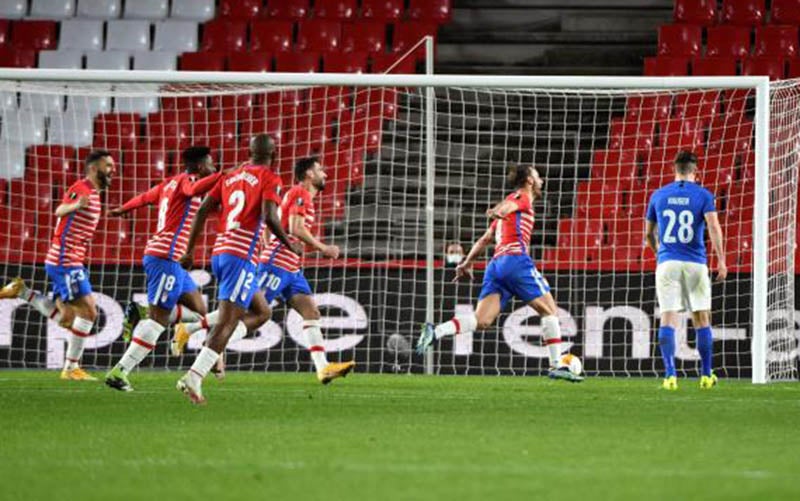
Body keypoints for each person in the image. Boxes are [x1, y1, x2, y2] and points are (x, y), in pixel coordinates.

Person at [416, 164, 582, 382]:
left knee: (482, 320)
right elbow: (508, 205)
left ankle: (436, 331)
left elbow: (485, 239)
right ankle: (557, 365)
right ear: (530, 181)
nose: (541, 180)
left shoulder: (509, 216)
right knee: (550, 311)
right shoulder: (522, 197)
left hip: (495, 266)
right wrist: (498, 210)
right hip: (516, 261)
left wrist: (466, 263)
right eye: (537, 176)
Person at [176, 134, 300, 404]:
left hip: (220, 252)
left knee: (262, 311)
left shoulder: (230, 176)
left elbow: (201, 211)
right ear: (274, 153)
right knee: (227, 322)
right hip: (241, 254)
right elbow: (269, 216)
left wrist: (189, 250)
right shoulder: (270, 178)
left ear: (250, 151)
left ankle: (195, 335)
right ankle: (194, 376)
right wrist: (290, 244)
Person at [103, 146, 221, 392]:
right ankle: (119, 372)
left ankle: (143, 309)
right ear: (200, 168)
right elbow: (193, 189)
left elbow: (146, 197)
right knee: (158, 321)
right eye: (211, 165)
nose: (214, 168)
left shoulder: (169, 183)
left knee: (200, 312)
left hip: (173, 261)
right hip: (165, 257)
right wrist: (223, 176)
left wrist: (123, 209)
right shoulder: (188, 181)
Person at [0, 150, 116, 380]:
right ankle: (71, 368)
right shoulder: (82, 188)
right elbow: (59, 210)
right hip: (65, 260)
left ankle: (24, 292)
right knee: (89, 312)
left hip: (72, 259)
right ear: (94, 168)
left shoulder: (94, 192)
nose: (113, 170)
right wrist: (76, 206)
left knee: (67, 319)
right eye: (108, 166)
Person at [257, 157, 355, 384]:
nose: (326, 175)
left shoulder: (298, 196)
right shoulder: (300, 193)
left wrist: (267, 243)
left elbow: (268, 224)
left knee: (311, 312)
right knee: (249, 311)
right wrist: (324, 248)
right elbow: (295, 228)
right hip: (278, 263)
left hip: (291, 266)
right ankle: (194, 328)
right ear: (309, 174)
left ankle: (323, 368)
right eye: (321, 170)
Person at [645, 150, 726, 390]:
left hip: (667, 262)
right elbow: (713, 225)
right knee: (701, 318)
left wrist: (659, 252)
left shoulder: (659, 195)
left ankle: (670, 376)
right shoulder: (703, 195)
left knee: (668, 317)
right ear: (696, 171)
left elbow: (648, 234)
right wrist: (721, 259)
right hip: (695, 263)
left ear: (674, 169)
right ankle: (706, 375)